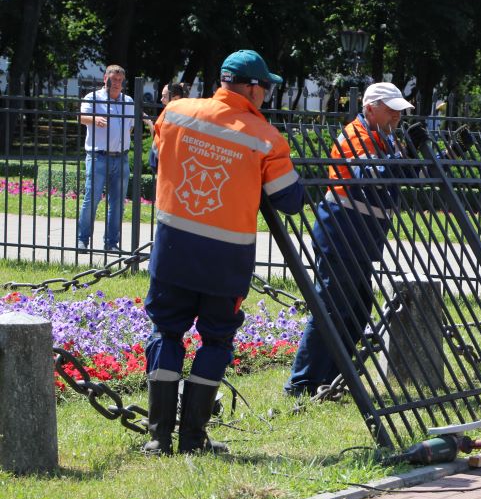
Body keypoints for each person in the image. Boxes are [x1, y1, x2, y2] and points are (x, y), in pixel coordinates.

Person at [142, 50, 304, 455]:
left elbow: (154, 159)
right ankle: (193, 440)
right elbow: (290, 200)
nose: (267, 95)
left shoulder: (176, 112)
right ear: (251, 87)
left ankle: (158, 437)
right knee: (215, 342)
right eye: (265, 87)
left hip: (173, 249)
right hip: (225, 260)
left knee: (166, 333)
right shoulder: (265, 137)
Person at [284, 82, 413, 398]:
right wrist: (405, 156)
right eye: (391, 109)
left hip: (360, 239)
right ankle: (301, 383)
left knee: (356, 310)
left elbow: (411, 176)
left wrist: (442, 153)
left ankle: (326, 380)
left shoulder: (386, 138)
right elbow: (370, 174)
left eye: (399, 110)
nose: (397, 115)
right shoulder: (354, 137)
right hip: (340, 233)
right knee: (331, 307)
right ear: (370, 108)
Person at [77, 64, 135, 253]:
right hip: (98, 157)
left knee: (117, 204)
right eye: (114, 79)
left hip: (121, 158)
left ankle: (111, 243)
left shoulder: (128, 100)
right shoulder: (93, 97)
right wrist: (95, 119)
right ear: (105, 79)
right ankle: (82, 239)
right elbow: (81, 116)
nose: (117, 83)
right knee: (91, 200)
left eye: (120, 80)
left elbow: (131, 126)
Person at [149, 82, 187, 173]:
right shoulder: (170, 111)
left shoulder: (175, 114)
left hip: (164, 162)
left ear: (176, 98)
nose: (161, 100)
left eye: (164, 96)